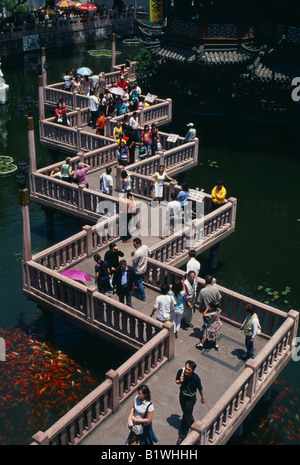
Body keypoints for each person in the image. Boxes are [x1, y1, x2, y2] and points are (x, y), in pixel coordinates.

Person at [175, 360, 205, 445]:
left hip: (191, 398)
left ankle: (182, 435)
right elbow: (176, 381)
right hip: (182, 395)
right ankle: (191, 420)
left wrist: (202, 397)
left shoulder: (196, 378)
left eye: (189, 370)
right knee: (186, 412)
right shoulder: (181, 372)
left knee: (185, 416)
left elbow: (200, 388)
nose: (187, 371)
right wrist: (180, 381)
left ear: (193, 370)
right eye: (186, 369)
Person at [131, 238, 150, 302]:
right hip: (144, 268)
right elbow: (150, 253)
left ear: (139, 244)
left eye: (135, 244)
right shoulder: (145, 247)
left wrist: (132, 256)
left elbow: (134, 261)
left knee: (139, 282)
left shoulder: (137, 252)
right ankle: (137, 288)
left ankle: (143, 296)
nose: (134, 246)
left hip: (138, 269)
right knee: (139, 280)